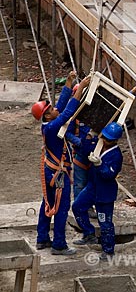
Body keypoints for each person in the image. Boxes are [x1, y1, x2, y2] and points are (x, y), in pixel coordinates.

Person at [31, 71, 91, 255]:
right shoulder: (53, 126)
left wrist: (69, 82)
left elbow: (61, 105)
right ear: (47, 116)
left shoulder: (48, 125)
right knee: (61, 207)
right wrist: (80, 89)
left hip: (51, 170)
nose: (53, 108)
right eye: (50, 110)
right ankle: (59, 244)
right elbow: (67, 111)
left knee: (47, 202)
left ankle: (42, 238)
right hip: (58, 174)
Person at [72, 122, 124, 259]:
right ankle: (89, 233)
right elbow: (83, 150)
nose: (105, 141)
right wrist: (89, 137)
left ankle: (108, 251)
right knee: (77, 207)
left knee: (105, 222)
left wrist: (100, 165)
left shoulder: (116, 155)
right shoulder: (98, 144)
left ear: (115, 140)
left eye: (108, 140)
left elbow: (110, 175)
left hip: (105, 193)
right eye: (104, 138)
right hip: (92, 187)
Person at [66, 84, 98, 218]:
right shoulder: (74, 115)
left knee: (92, 182)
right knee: (80, 183)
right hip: (80, 155)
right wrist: (79, 142)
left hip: (93, 153)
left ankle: (89, 206)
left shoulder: (93, 112)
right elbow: (67, 133)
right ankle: (79, 208)